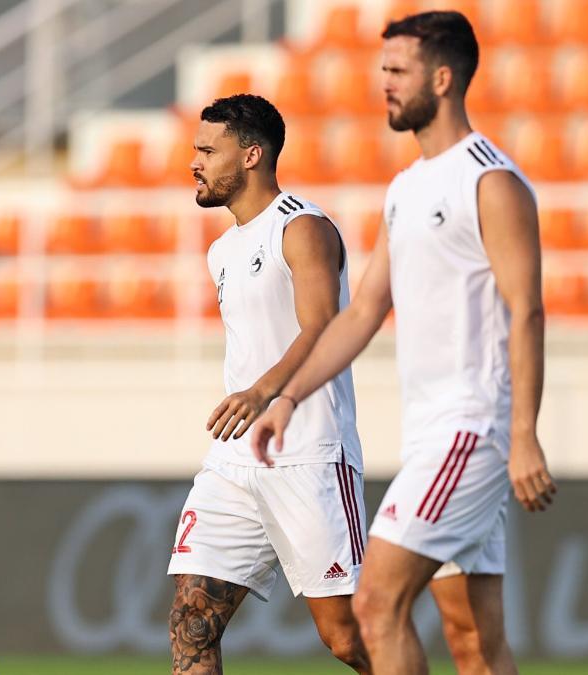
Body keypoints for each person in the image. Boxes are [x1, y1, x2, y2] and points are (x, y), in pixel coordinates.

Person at [252, 11, 556, 675]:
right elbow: (362, 311)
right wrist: (288, 395)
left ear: (442, 78)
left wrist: (525, 432)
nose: (382, 84)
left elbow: (526, 310)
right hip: (431, 435)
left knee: (376, 604)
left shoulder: (490, 181)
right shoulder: (405, 189)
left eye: (397, 71)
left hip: (470, 431)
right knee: (474, 642)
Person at [167, 94, 370, 675]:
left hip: (308, 454)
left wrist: (264, 392)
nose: (195, 162)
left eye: (209, 149)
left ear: (252, 154)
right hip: (233, 464)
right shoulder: (222, 250)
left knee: (347, 638)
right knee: (191, 620)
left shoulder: (303, 227)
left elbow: (323, 328)